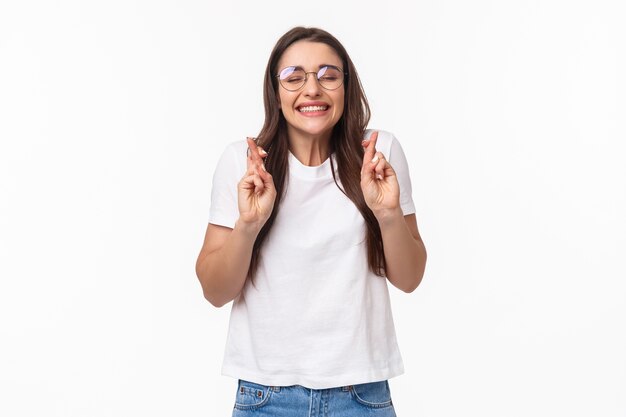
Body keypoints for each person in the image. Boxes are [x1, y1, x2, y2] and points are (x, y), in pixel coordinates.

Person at [195, 26, 427, 416]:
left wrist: (387, 213)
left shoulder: (377, 153)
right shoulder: (243, 163)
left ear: (346, 86)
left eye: (328, 75)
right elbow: (215, 291)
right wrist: (248, 225)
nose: (312, 89)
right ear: (275, 90)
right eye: (294, 77)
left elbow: (409, 278)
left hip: (362, 395)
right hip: (265, 396)